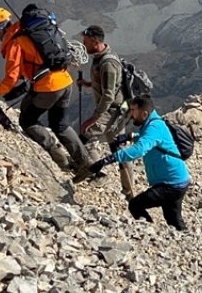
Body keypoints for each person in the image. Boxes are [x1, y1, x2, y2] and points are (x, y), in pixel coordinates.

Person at [0, 7, 92, 174]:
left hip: (48, 87)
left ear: (0, 28)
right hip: (65, 81)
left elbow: (11, 77)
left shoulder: (15, 41)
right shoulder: (29, 32)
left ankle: (60, 158)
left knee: (27, 120)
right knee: (60, 124)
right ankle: (85, 163)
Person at [78, 95, 189, 231]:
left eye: (133, 110)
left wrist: (108, 159)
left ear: (144, 113)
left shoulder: (154, 127)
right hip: (177, 180)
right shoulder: (155, 123)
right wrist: (130, 137)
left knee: (135, 205)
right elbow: (148, 139)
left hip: (170, 184)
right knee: (173, 220)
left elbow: (140, 149)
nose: (131, 114)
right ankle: (182, 239)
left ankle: (149, 232)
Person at [78, 25, 134, 194]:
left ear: (95, 41)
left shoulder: (108, 63)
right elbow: (108, 85)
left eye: (86, 42)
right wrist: (88, 84)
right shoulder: (101, 58)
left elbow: (108, 95)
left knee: (86, 135)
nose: (84, 45)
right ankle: (129, 192)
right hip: (116, 112)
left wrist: (94, 118)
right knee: (119, 150)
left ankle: (98, 173)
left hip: (112, 111)